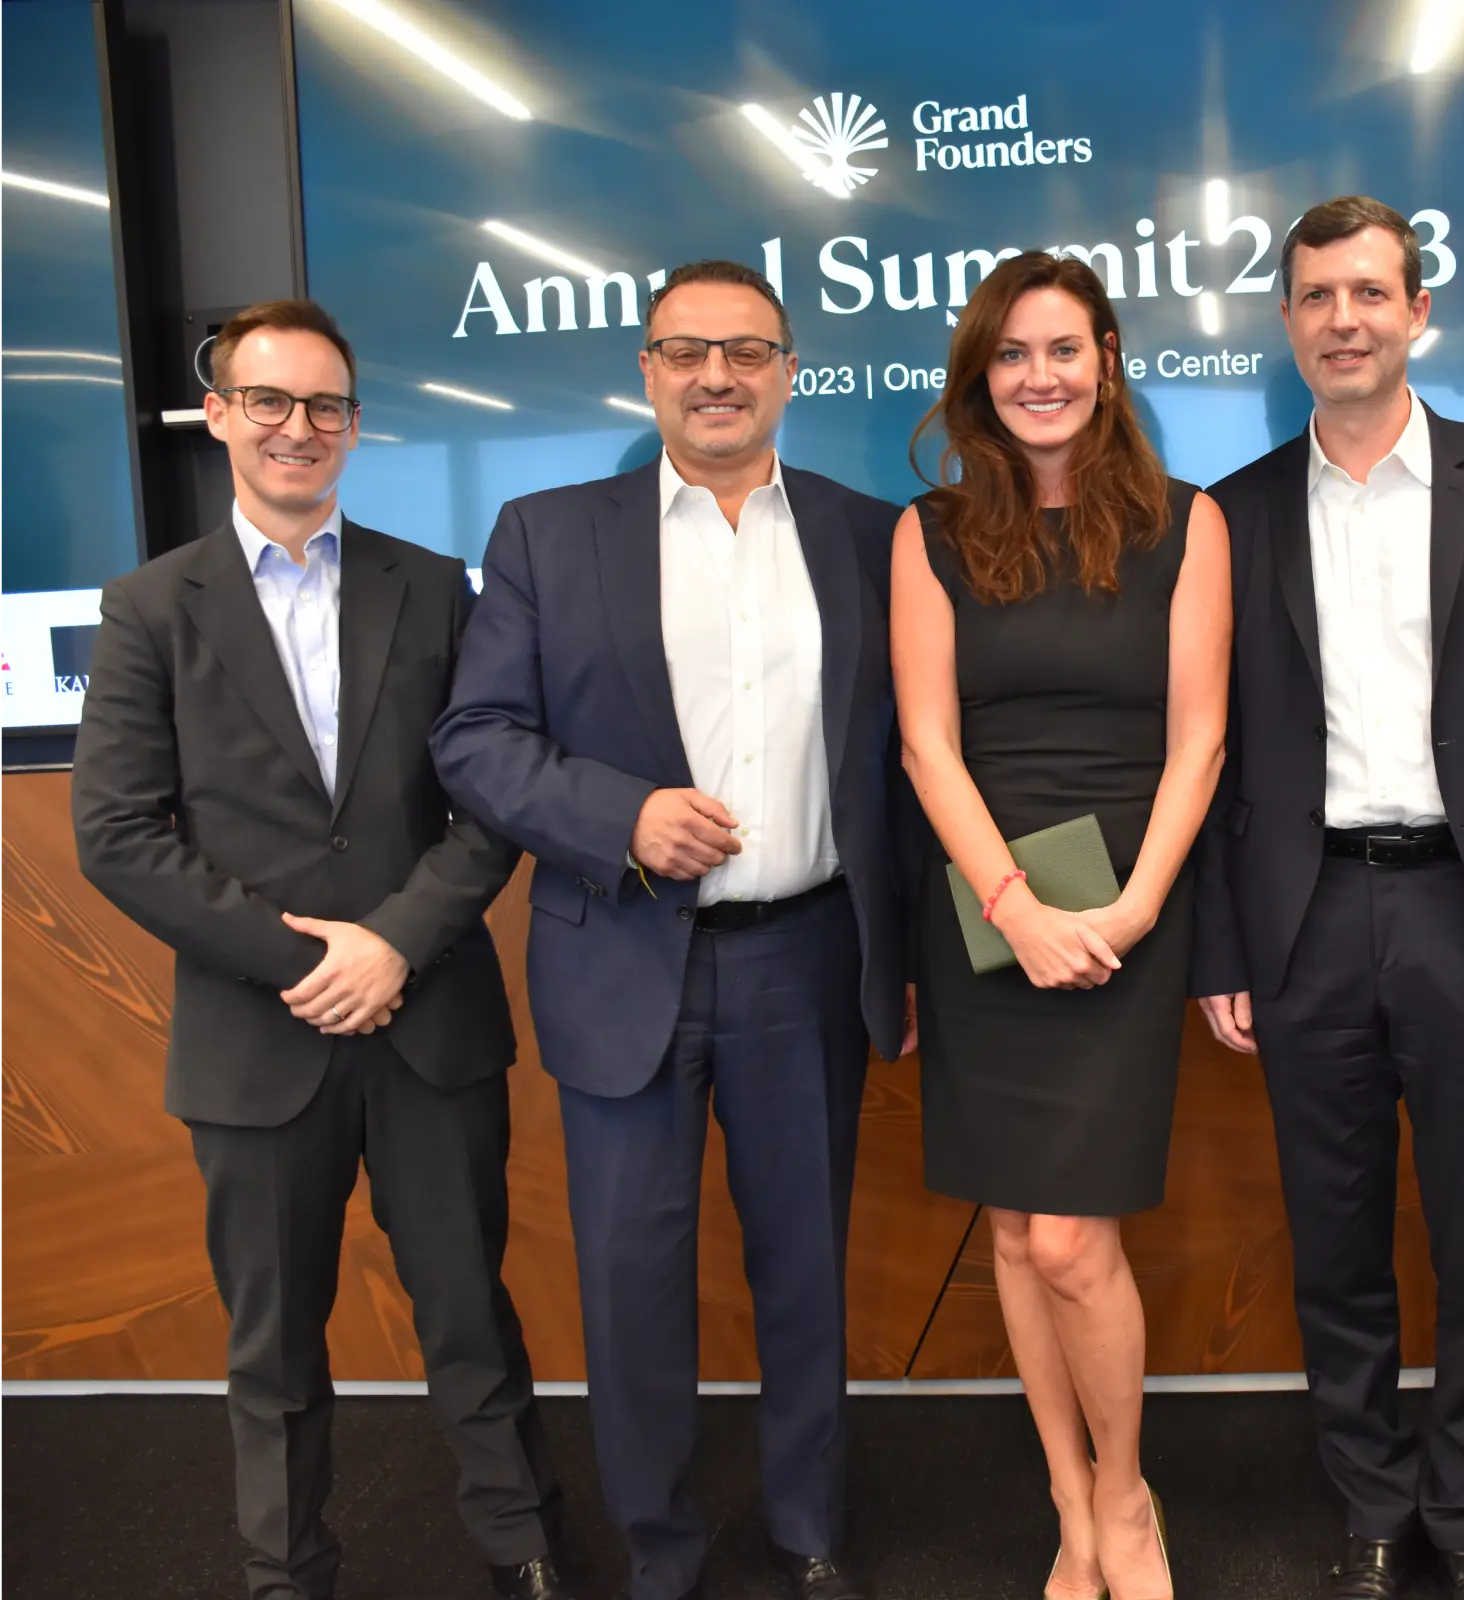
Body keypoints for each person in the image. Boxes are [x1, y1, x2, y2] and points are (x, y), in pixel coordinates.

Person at [431, 260, 914, 1600]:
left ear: (790, 371)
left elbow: (905, 758)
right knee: (632, 1284)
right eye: (687, 350)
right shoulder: (546, 534)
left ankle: (811, 1532)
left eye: (747, 351)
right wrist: (623, 815)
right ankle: (661, 1553)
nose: (717, 376)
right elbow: (476, 739)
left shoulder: (868, 535)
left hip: (809, 957)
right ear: (645, 370)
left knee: (804, 1270)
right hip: (621, 957)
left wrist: (914, 959)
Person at [70, 300, 567, 1600]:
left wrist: (392, 943)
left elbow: (490, 800)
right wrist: (305, 963)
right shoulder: (149, 607)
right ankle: (285, 1571)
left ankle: (523, 1547)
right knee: (275, 1344)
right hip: (255, 1041)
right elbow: (116, 834)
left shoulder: (433, 586)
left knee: (469, 1313)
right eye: (270, 400)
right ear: (220, 414)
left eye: (326, 404)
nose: (299, 426)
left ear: (354, 422)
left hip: (429, 1019)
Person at [1195, 195, 1464, 1600]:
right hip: (1304, 919)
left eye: (1370, 292)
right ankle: (1375, 1503)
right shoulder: (1235, 513)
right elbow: (1211, 755)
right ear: (1287, 321)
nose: (1344, 320)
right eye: (1317, 297)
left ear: (1419, 312)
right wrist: (1221, 948)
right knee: (1334, 1240)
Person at [892, 250, 1229, 1600]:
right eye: (1012, 355)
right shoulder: (926, 534)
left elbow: (1201, 739)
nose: (1040, 377)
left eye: (1064, 350)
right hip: (986, 912)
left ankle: (1127, 1498)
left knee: (1074, 1240)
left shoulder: (1188, 525)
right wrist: (1014, 904)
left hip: (1131, 905)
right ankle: (1067, 1502)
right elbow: (926, 744)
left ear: (1107, 362)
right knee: (1018, 1235)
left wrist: (1134, 906)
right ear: (981, 379)